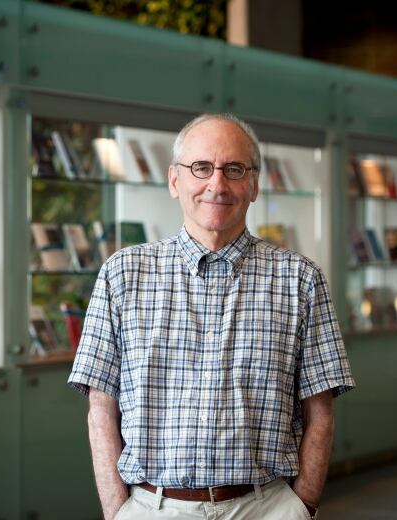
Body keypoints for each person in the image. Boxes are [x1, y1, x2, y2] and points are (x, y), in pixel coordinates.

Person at [68, 113, 354, 519]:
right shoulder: (123, 273)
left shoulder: (301, 280)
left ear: (253, 184)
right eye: (200, 167)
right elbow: (101, 406)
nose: (216, 184)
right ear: (174, 180)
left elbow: (320, 408)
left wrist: (302, 505)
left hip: (266, 507)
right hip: (154, 508)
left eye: (234, 169)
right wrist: (118, 512)